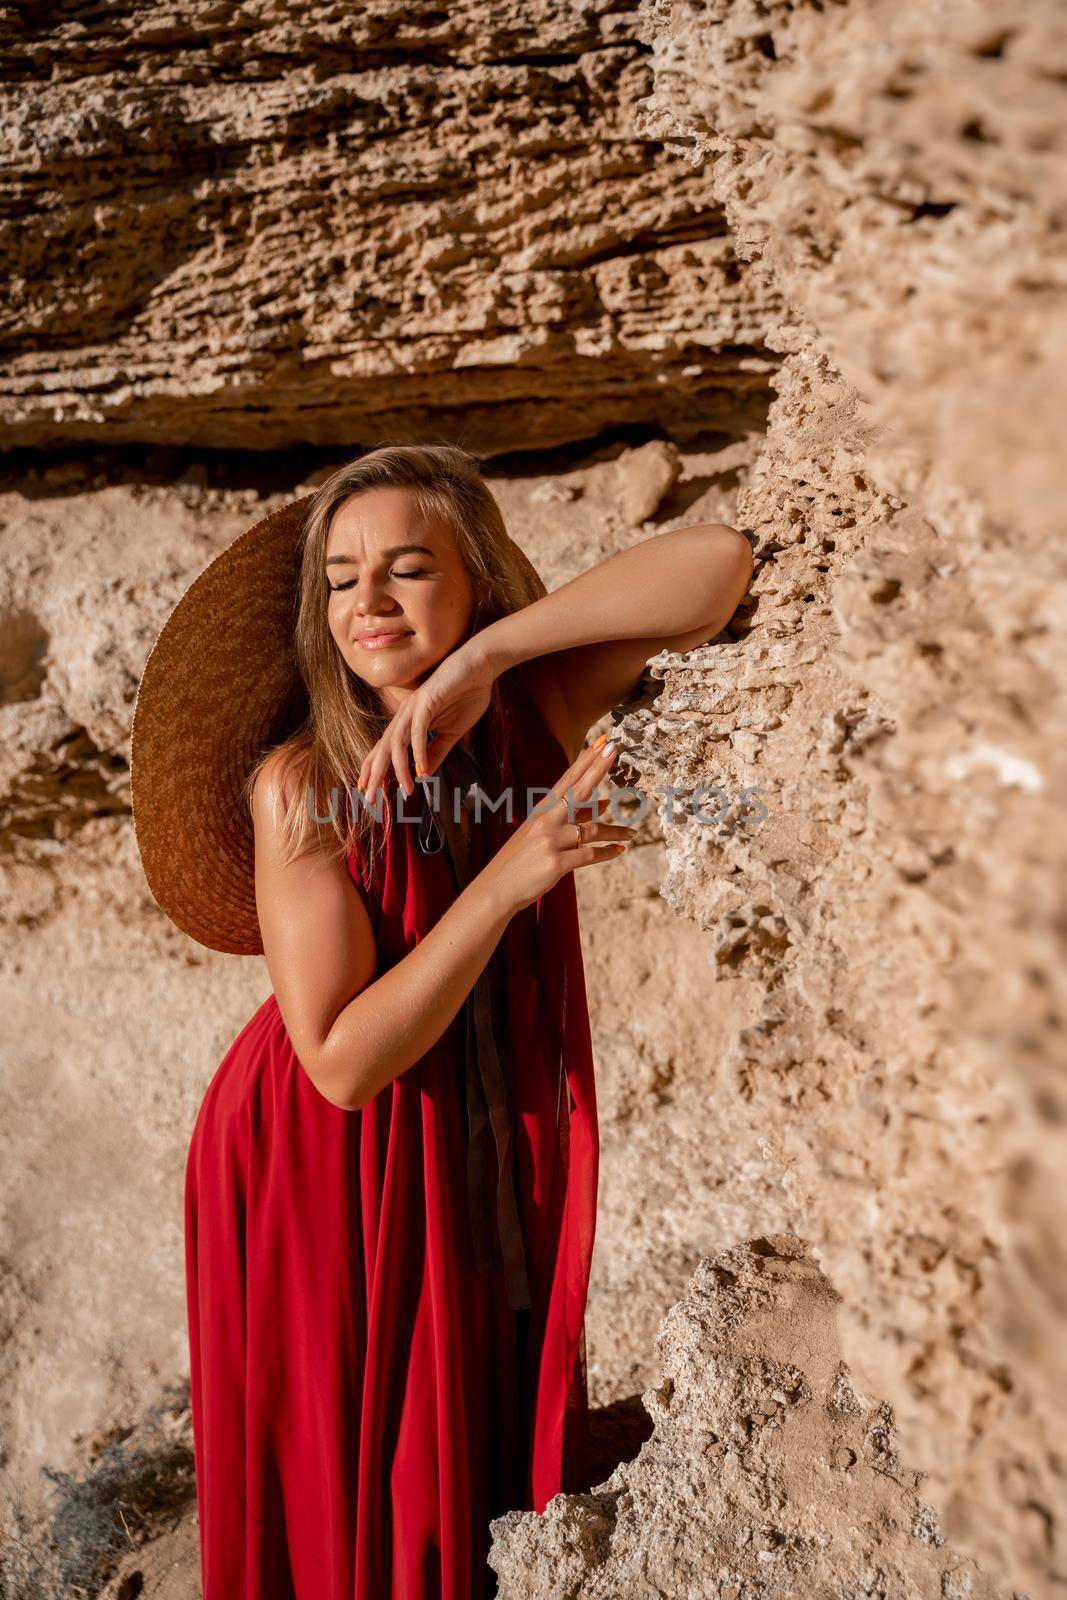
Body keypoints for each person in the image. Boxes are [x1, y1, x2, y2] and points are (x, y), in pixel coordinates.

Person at [130, 442, 753, 1600]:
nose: (366, 600)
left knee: (463, 1405)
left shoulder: (527, 711)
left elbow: (718, 563)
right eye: (340, 576)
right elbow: (340, 1065)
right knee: (358, 1465)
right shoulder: (301, 783)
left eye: (409, 568)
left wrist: (496, 654)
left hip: (460, 1094)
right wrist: (509, 875)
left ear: (473, 579)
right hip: (319, 1148)